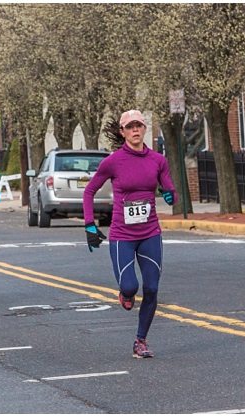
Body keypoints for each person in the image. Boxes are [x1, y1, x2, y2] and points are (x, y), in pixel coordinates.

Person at [82, 110, 176, 359]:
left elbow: (170, 188)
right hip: (122, 234)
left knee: (153, 288)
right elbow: (89, 191)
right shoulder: (113, 161)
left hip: (150, 233)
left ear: (145, 129)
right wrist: (90, 225)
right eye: (130, 127)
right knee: (130, 285)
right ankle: (124, 293)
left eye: (139, 126)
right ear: (122, 132)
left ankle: (140, 340)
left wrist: (169, 195)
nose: (135, 130)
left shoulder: (158, 160)